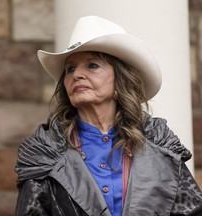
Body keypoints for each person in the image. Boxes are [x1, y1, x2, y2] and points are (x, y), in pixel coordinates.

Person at [14, 15, 202, 216]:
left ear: (119, 78)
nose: (77, 74)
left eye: (92, 65)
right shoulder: (45, 152)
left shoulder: (159, 144)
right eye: (70, 69)